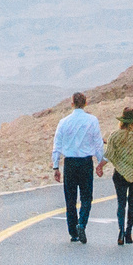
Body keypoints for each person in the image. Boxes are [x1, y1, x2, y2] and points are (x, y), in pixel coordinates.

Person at [50, 92, 106, 242]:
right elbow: (98, 144)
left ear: (72, 103)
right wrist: (100, 163)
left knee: (70, 198)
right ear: (86, 103)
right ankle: (82, 223)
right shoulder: (92, 120)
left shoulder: (63, 122)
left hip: (70, 163)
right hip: (86, 162)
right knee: (86, 196)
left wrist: (56, 166)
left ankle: (73, 232)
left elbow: (57, 145)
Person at [106, 106, 133, 244]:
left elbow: (109, 155)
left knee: (121, 203)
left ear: (122, 120)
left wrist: (100, 166)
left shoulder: (114, 135)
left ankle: (120, 232)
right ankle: (129, 232)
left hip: (120, 173)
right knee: (132, 202)